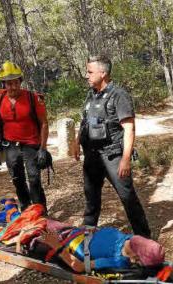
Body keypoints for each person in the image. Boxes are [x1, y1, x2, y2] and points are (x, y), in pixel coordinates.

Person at [74, 55, 151, 238]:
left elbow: (129, 128)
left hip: (113, 156)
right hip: (92, 155)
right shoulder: (91, 94)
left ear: (103, 73)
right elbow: (85, 121)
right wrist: (76, 142)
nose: (87, 75)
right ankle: (88, 232)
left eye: (90, 72)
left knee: (127, 196)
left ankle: (144, 237)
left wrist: (125, 159)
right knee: (91, 196)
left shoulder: (119, 95)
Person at [0, 60, 50, 212]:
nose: (13, 87)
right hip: (10, 146)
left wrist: (42, 148)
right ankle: (26, 209)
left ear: (20, 81)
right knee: (17, 179)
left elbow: (44, 123)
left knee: (34, 179)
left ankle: (40, 211)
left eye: (15, 83)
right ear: (4, 84)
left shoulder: (32, 98)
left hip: (31, 145)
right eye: (9, 84)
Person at [39, 220, 165, 273]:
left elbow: (79, 267)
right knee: (38, 219)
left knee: (31, 231)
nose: (129, 242)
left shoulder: (117, 261)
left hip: (65, 244)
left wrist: (56, 245)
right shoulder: (129, 239)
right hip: (75, 232)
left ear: (135, 258)